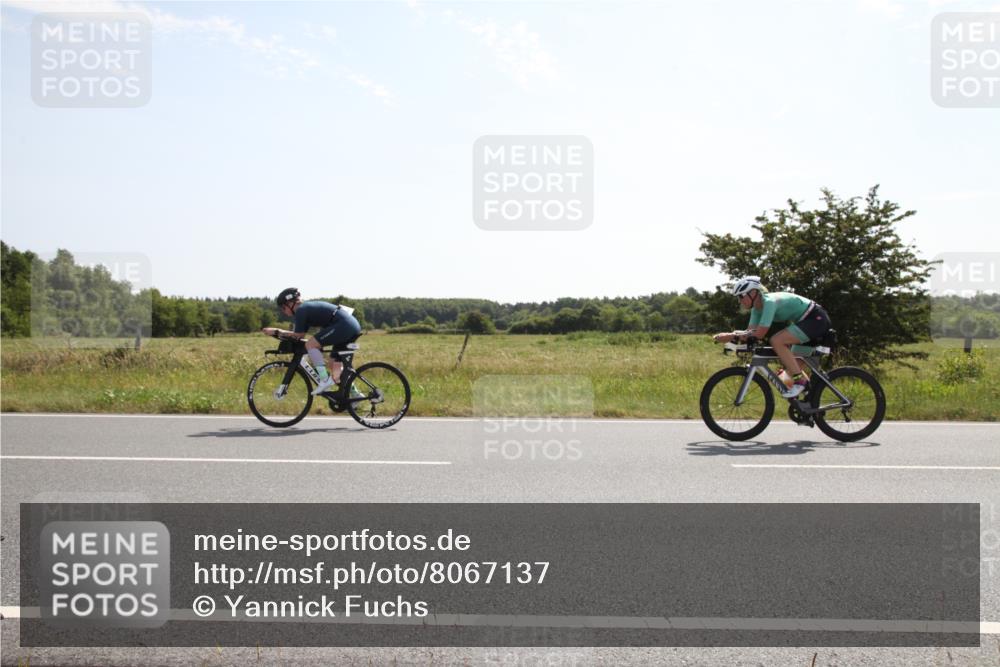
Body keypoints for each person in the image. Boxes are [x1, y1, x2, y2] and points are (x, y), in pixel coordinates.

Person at [712, 276, 832, 399]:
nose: (740, 301)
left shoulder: (769, 302)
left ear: (753, 293)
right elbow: (750, 332)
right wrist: (731, 336)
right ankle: (810, 403)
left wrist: (733, 335)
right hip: (805, 323)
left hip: (816, 319)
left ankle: (801, 382)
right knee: (786, 375)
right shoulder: (756, 309)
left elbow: (759, 334)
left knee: (776, 340)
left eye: (741, 296)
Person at [262, 288, 362, 396]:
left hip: (344, 325)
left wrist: (277, 331)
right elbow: (299, 335)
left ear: (290, 303)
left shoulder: (301, 310)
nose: (283, 311)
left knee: (310, 344)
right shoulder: (304, 310)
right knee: (334, 364)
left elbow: (298, 335)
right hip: (348, 325)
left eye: (283, 307)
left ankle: (324, 379)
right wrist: (279, 333)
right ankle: (355, 394)